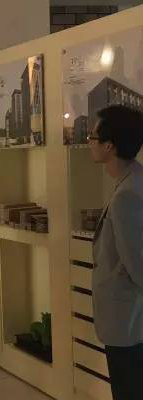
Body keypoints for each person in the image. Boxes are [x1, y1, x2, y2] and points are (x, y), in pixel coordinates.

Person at [88, 105, 143, 400]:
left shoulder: (127, 195)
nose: (89, 142)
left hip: (129, 322)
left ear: (109, 145)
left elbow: (139, 265)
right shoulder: (132, 182)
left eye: (93, 136)